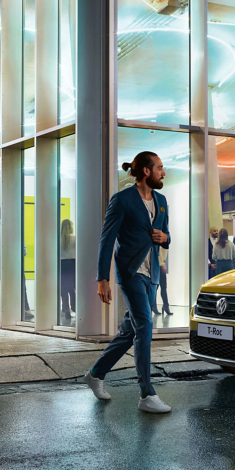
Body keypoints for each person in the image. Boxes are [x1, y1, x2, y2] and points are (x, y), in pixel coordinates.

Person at [83, 151, 172, 414]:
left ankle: (96, 374)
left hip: (152, 273)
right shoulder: (122, 200)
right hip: (130, 272)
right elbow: (107, 240)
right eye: (160, 168)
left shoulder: (162, 201)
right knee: (145, 324)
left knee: (130, 330)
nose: (163, 172)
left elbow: (167, 237)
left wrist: (164, 237)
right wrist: (102, 279)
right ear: (146, 171)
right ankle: (147, 393)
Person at [0, 207, 34, 321]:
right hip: (8, 261)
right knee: (20, 283)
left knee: (9, 284)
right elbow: (11, 243)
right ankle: (25, 309)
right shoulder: (3, 228)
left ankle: (15, 308)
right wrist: (22, 252)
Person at [60, 218, 76, 322]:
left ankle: (66, 308)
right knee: (72, 288)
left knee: (63, 288)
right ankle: (74, 307)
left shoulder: (58, 238)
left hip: (61, 264)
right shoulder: (74, 238)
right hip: (72, 264)